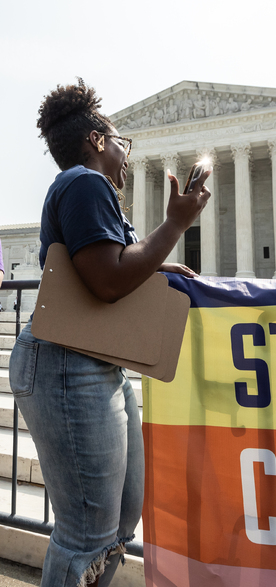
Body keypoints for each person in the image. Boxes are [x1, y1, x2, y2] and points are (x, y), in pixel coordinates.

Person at [9, 79, 210, 587]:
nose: (127, 156)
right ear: (97, 139)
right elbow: (106, 280)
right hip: (64, 365)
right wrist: (175, 226)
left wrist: (159, 267)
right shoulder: (85, 182)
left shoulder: (91, 191)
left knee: (119, 520)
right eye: (123, 143)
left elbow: (115, 265)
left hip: (94, 362)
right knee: (84, 535)